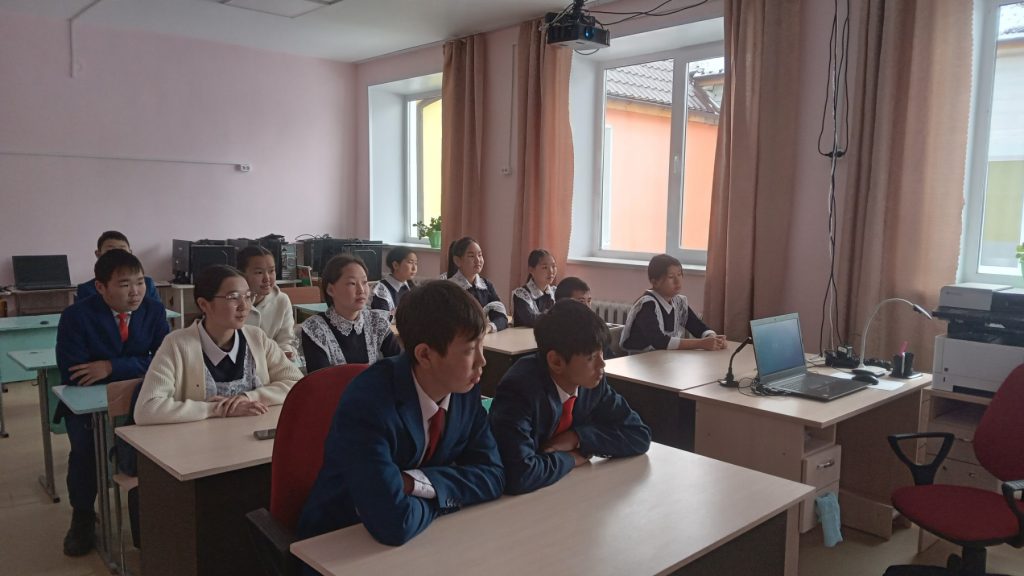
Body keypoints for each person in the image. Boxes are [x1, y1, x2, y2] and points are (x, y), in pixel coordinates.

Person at [296, 281, 505, 545]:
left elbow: (493, 476)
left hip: (422, 540)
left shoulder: (465, 390)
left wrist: (415, 483)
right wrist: (446, 497)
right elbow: (394, 522)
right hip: (341, 540)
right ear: (425, 355)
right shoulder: (368, 402)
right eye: (469, 350)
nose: (482, 361)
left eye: (481, 344)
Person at [55, 249, 170, 556]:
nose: (135, 292)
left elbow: (164, 361)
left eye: (140, 282)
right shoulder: (76, 316)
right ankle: (82, 516)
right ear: (100, 287)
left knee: (155, 449)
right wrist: (138, 365)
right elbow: (75, 371)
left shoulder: (154, 310)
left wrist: (110, 367)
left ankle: (153, 513)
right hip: (87, 404)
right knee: (85, 453)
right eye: (124, 284)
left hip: (141, 398)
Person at [489, 299, 650, 494]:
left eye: (601, 354)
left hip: (564, 489)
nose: (602, 365)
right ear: (556, 362)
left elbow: (639, 435)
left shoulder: (592, 383)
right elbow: (519, 474)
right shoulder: (519, 389)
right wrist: (571, 458)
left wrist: (577, 437)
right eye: (591, 357)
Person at [134, 265, 302, 425]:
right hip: (196, 441)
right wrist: (215, 409)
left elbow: (297, 384)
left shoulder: (257, 338)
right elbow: (146, 409)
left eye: (248, 296)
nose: (244, 306)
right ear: (204, 304)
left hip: (251, 435)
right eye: (233, 297)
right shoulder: (176, 345)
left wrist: (249, 397)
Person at [301, 254, 401, 372]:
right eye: (352, 283)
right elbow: (320, 379)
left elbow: (400, 366)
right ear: (331, 290)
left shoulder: (377, 321)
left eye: (364, 282)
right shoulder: (315, 329)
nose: (361, 290)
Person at [620, 254, 726, 353]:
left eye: (679, 275)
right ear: (655, 282)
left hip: (664, 358)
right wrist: (701, 343)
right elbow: (659, 341)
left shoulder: (678, 302)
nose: (677, 281)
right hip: (640, 359)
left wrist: (712, 337)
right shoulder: (647, 305)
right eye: (671, 277)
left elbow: (697, 326)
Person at [238, 245, 297, 359]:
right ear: (241, 274)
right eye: (259, 272)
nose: (267, 278)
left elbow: (286, 340)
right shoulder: (233, 303)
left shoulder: (282, 300)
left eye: (271, 271)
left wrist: (286, 352)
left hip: (274, 362)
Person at [442, 236, 507, 332]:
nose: (478, 260)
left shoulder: (486, 285)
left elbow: (501, 317)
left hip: (484, 338)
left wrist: (488, 328)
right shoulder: (449, 288)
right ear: (457, 261)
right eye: (471, 256)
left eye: (480, 255)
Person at [76, 231, 161, 303]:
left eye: (122, 250)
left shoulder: (147, 284)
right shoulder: (87, 289)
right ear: (98, 254)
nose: (117, 255)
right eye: (110, 251)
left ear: (130, 253)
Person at [511, 249, 557, 327]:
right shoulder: (521, 294)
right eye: (545, 267)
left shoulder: (555, 292)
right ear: (531, 270)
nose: (551, 271)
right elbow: (531, 320)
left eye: (553, 266)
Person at [371, 246, 418, 314]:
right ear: (395, 265)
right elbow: (382, 318)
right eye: (410, 262)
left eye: (416, 263)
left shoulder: (411, 286)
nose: (414, 268)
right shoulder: (381, 290)